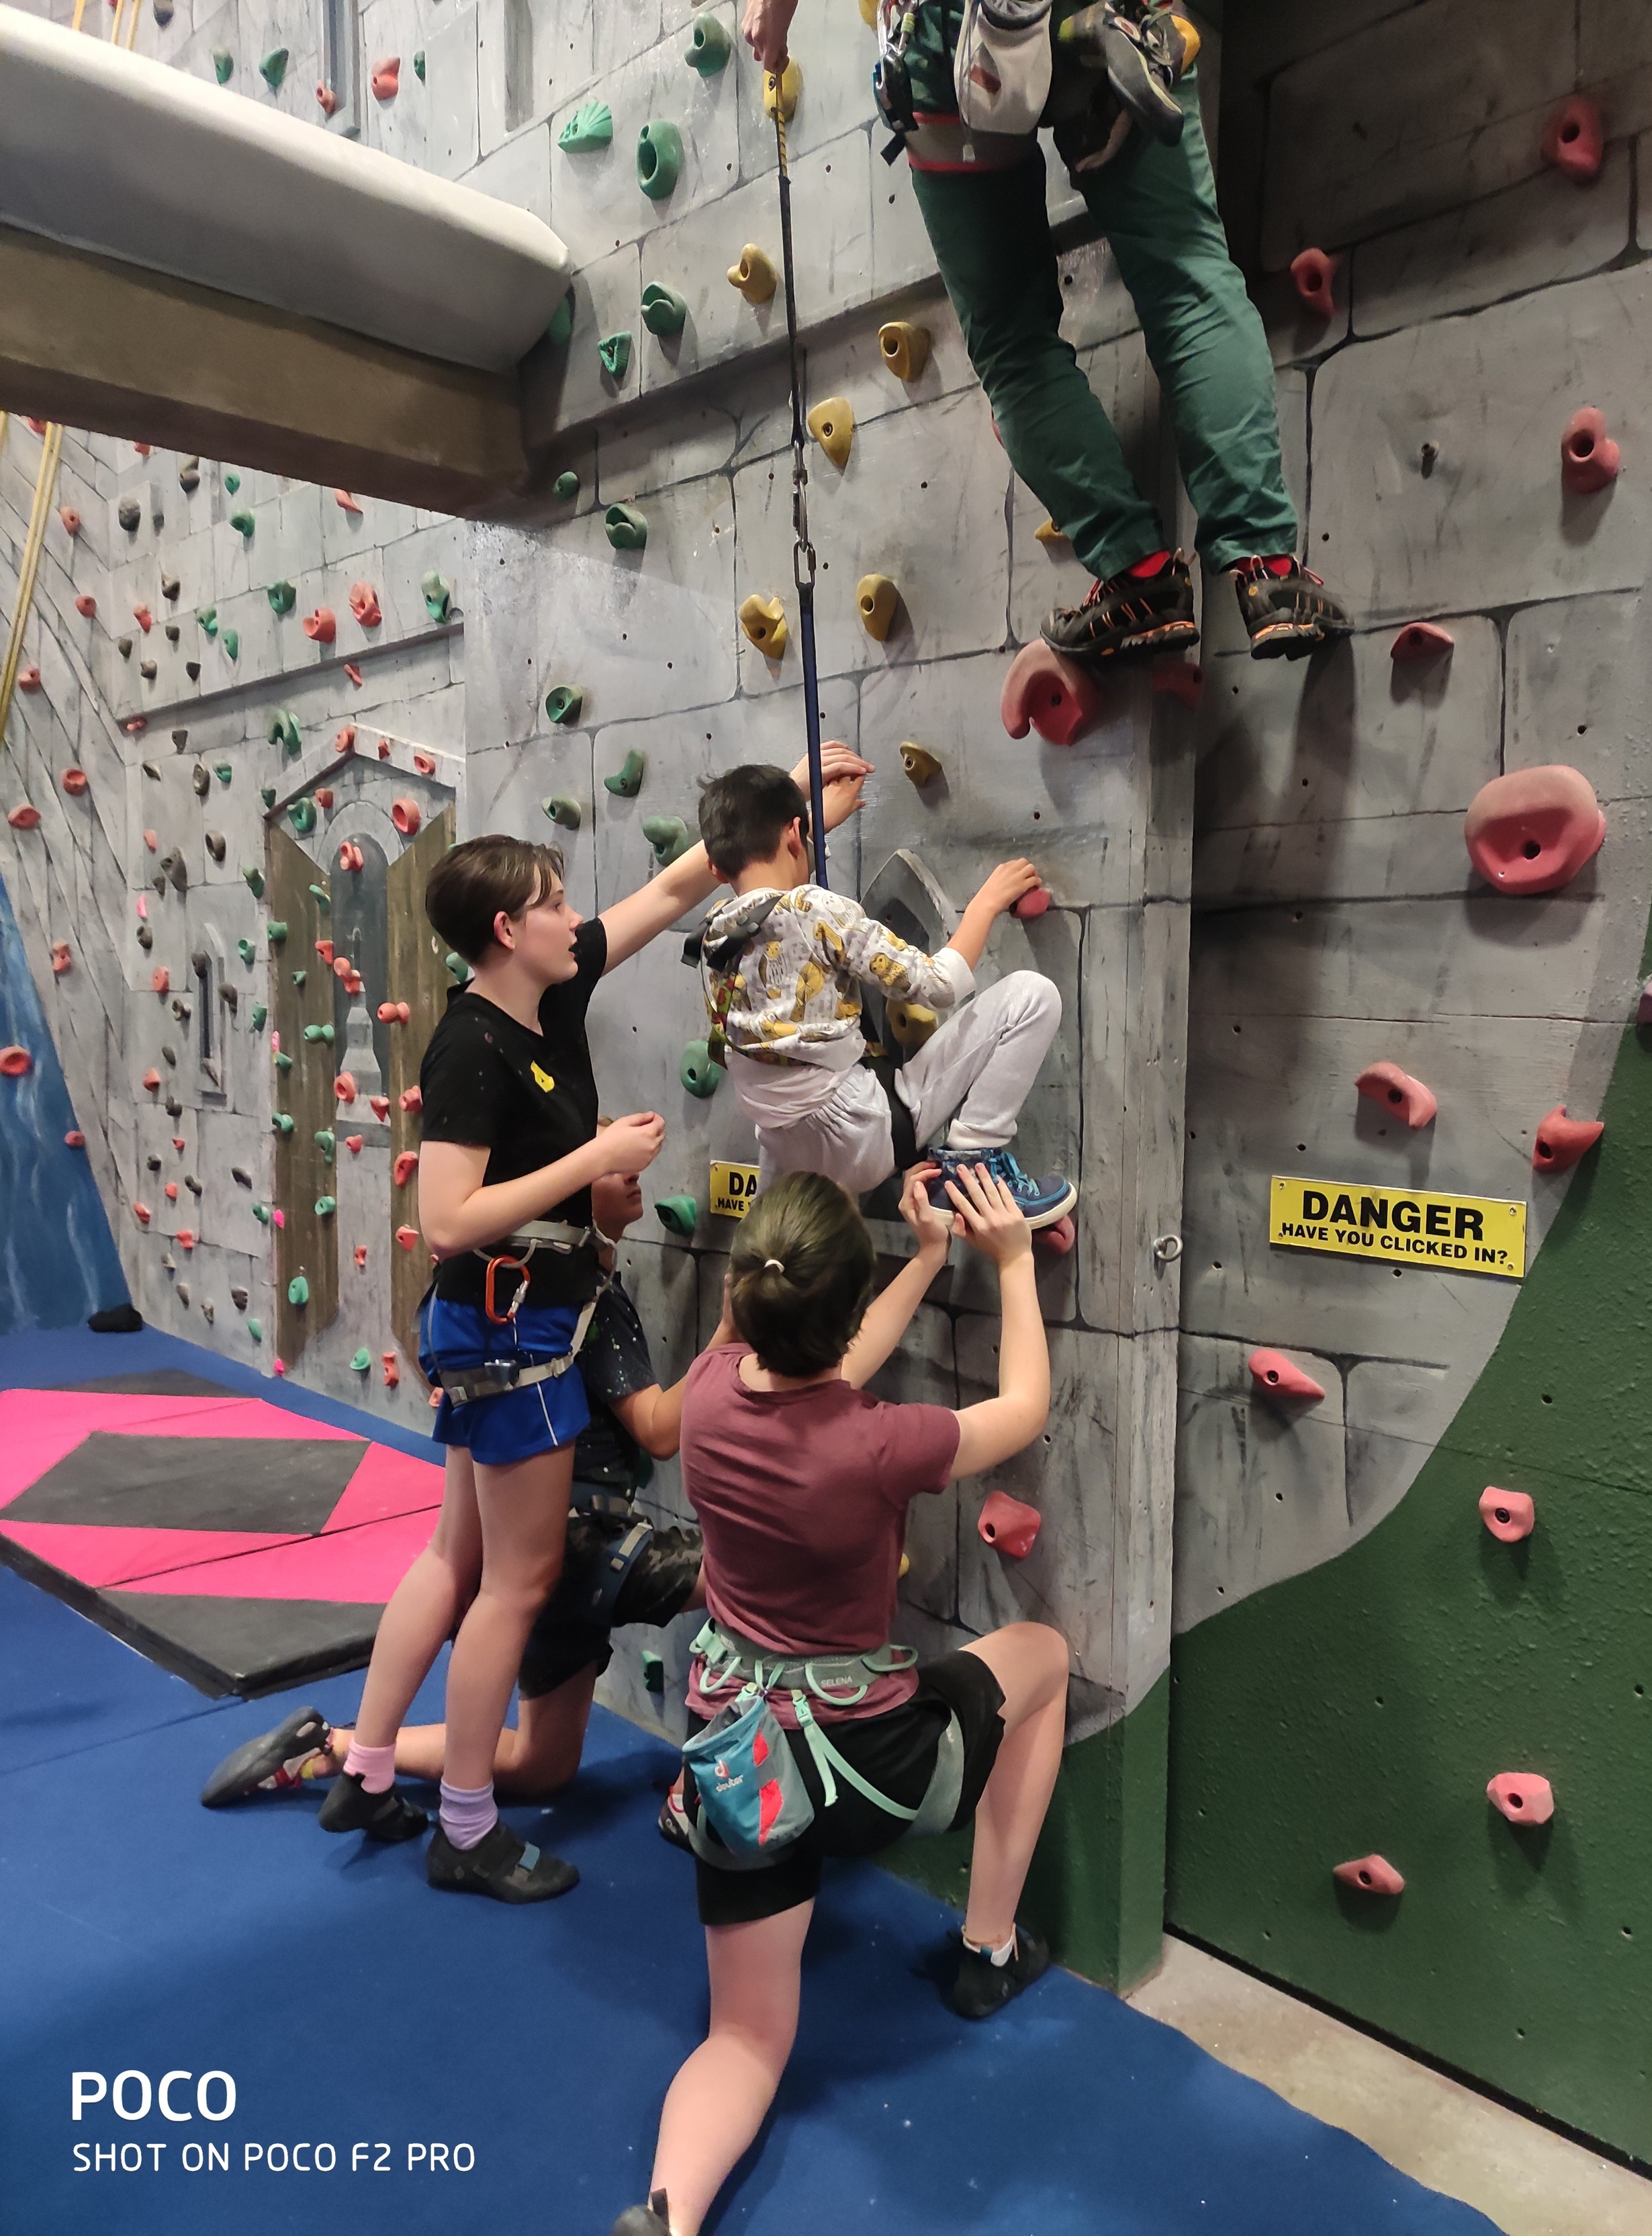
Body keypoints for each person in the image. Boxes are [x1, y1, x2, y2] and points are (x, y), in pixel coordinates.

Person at [312, 744, 870, 1904]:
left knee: (454, 1554)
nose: (581, 916)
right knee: (511, 1582)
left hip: (507, 1326)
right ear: (511, 926)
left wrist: (792, 815)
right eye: (560, 902)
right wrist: (592, 1159)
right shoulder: (471, 1043)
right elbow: (447, 1217)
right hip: (507, 1328)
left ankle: (370, 1764)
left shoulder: (550, 994)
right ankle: (464, 1822)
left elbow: (676, 888)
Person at [612, 1161, 1070, 2236]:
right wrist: (1008, 1265)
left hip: (739, 1774)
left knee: (743, 2040)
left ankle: (667, 2219)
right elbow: (1024, 1407)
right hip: (877, 1769)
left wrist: (919, 1259)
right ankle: (986, 1951)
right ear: (834, 1307)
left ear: (744, 1300)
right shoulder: (880, 1444)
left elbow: (820, 1361)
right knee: (1040, 1658)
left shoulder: (714, 1393)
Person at [741, 0, 1352, 665]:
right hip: (1098, 13)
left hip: (950, 46)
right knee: (1185, 275)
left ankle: (1139, 576)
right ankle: (1269, 572)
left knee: (1013, 345)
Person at [198, 1169, 714, 1818]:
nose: (636, 1180)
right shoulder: (580, 1296)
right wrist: (735, 1333)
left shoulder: (499, 1296)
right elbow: (660, 1430)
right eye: (613, 1171)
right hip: (586, 1540)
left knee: (542, 1763)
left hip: (533, 1533)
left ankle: (337, 1747)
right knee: (744, 1576)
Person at [694, 762, 1074, 1225]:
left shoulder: (713, 934)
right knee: (1032, 996)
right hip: (860, 1137)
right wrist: (986, 903)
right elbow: (940, 984)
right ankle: (971, 1164)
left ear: (715, 867)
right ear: (797, 833)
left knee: (765, 1261)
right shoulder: (815, 907)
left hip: (788, 1160)